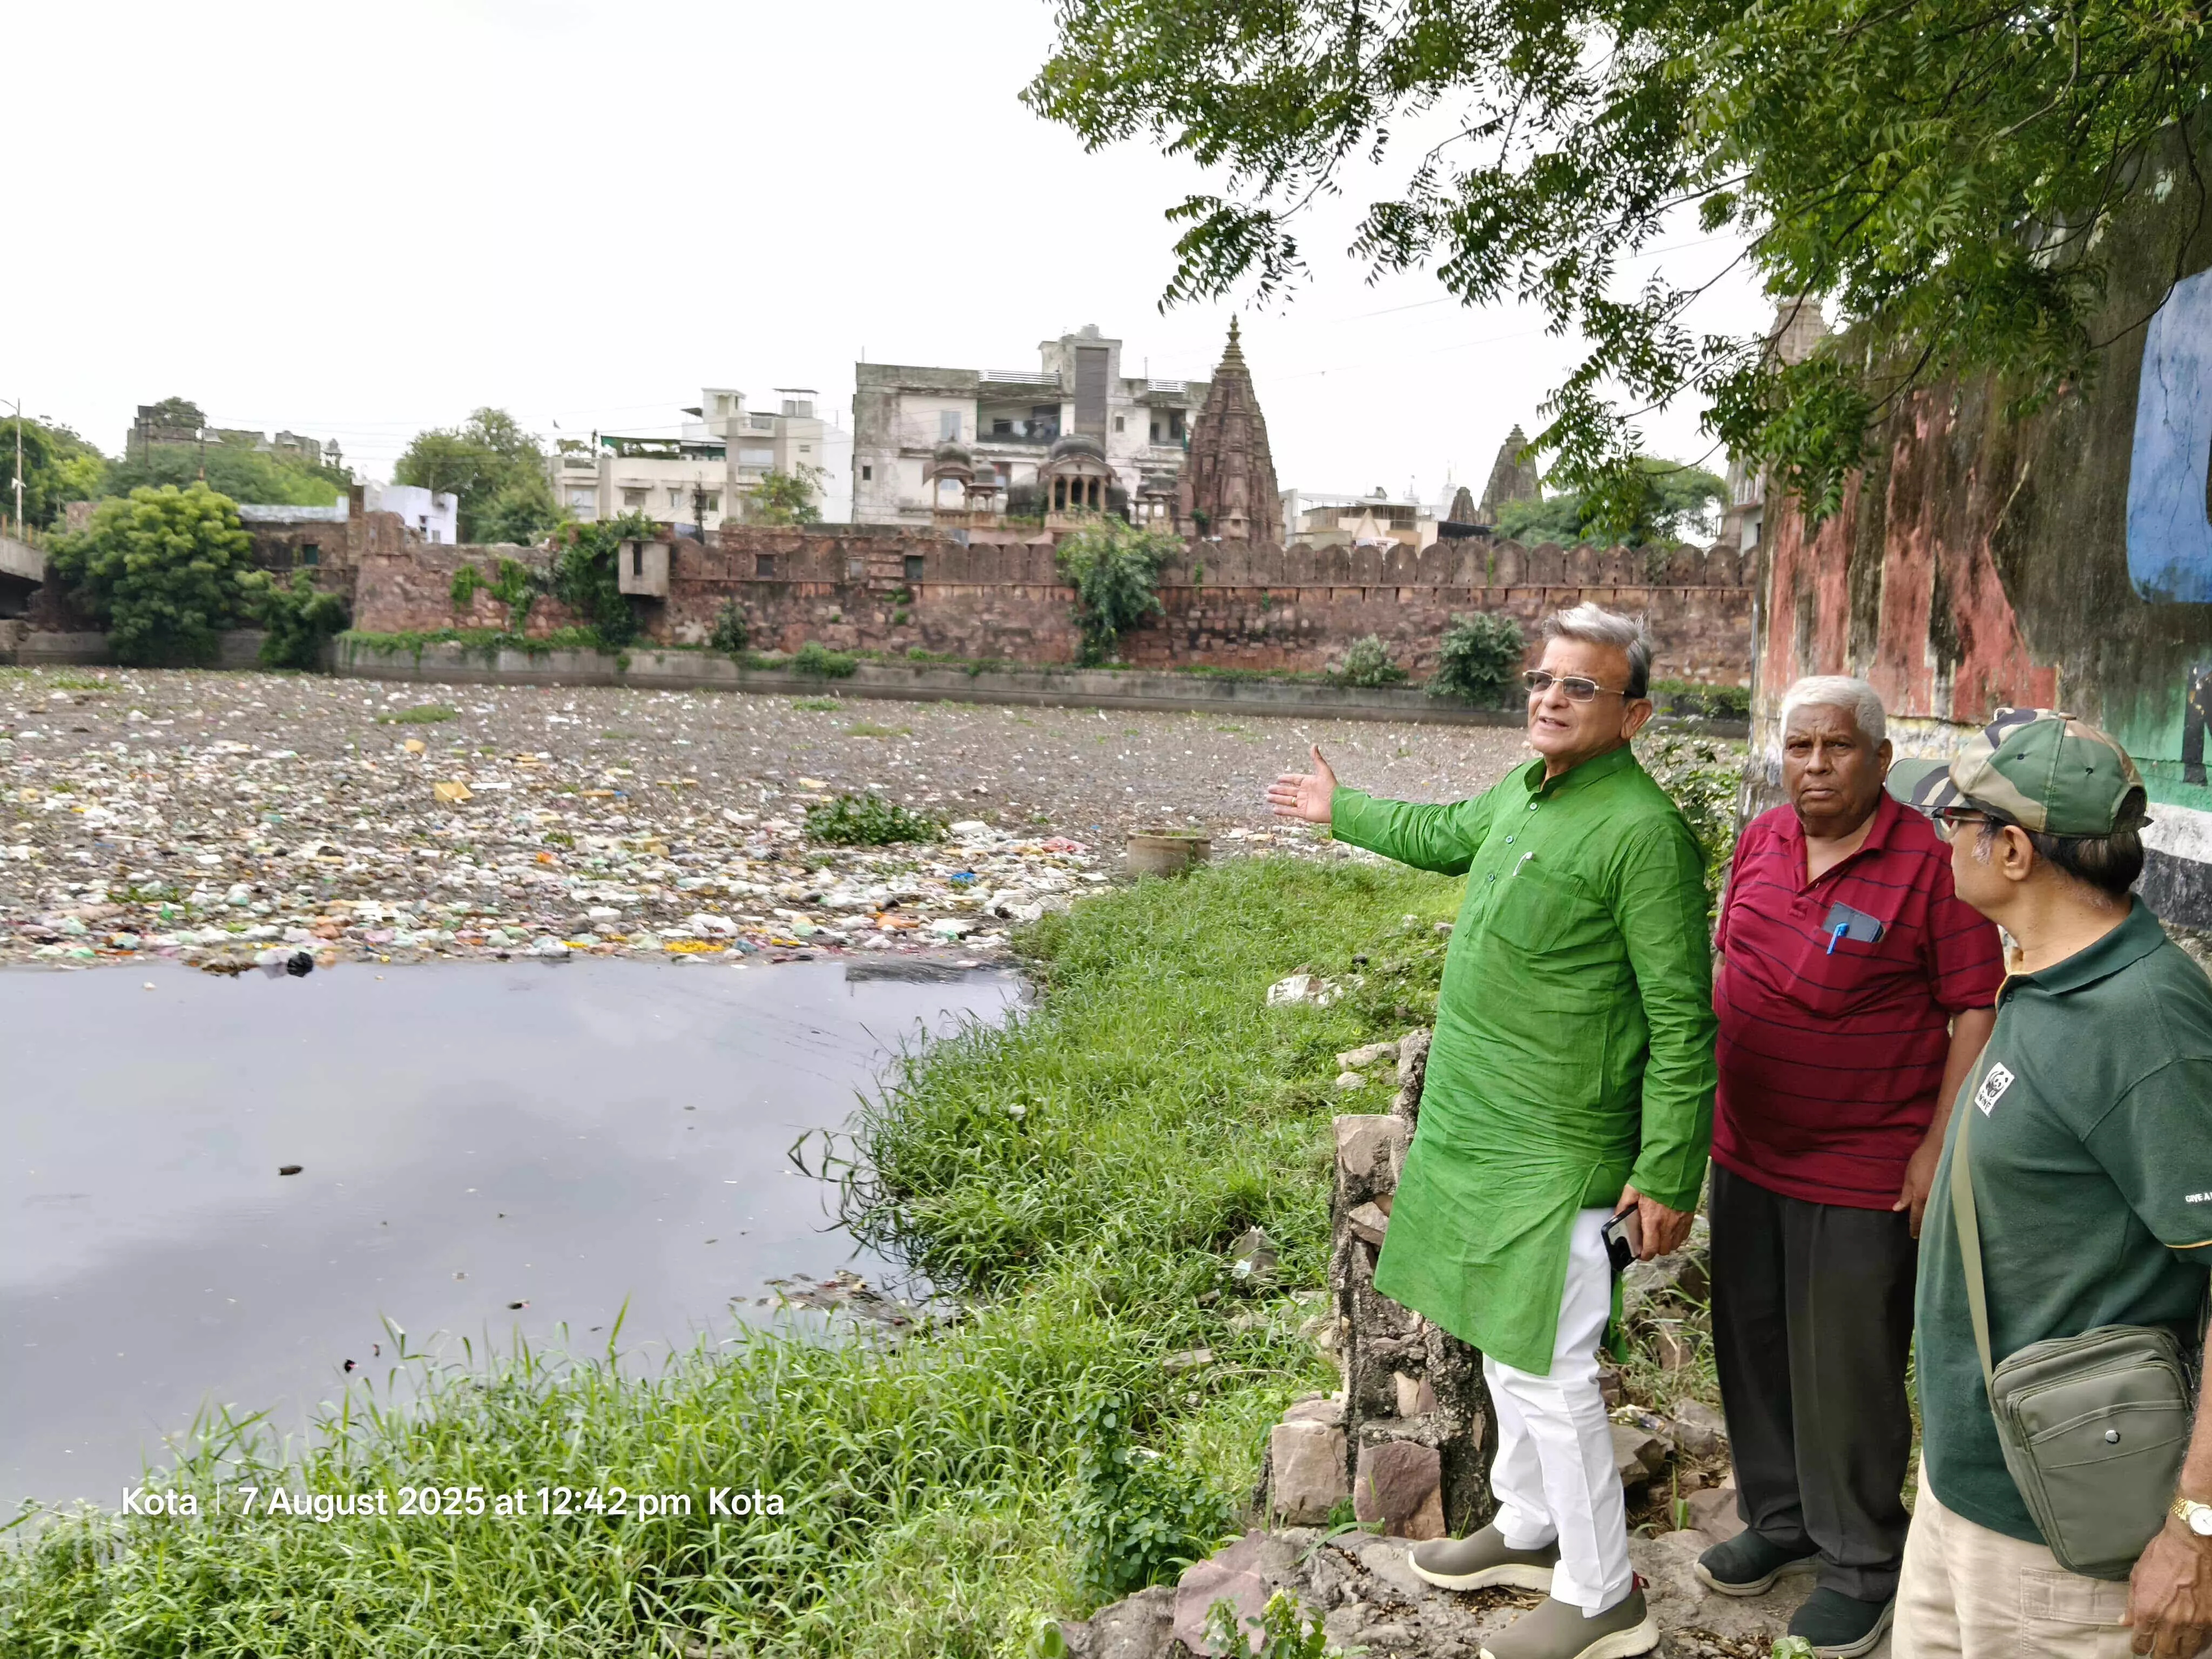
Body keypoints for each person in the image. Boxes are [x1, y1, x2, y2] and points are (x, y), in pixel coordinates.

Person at [1267, 602, 1716, 1659]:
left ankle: (1605, 1595)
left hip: (1563, 1155)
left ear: (1634, 713)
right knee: (1505, 1351)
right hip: (1481, 1134)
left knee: (1549, 1370)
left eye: (1580, 687)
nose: (1550, 699)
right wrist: (1343, 809)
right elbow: (1438, 836)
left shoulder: (1642, 836)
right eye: (1544, 681)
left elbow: (1682, 1019)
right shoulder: (1526, 789)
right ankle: (1525, 1526)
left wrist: (1667, 1173)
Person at [1889, 709, 2212, 1658]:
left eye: (1957, 822)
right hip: (1972, 1495)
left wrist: (2196, 1527)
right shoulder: (2043, 972)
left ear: (2015, 850)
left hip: (2067, 1546)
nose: (1942, 839)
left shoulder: (2144, 1025)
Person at [1697, 676, 2003, 1657]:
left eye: (1835, 749)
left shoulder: (1927, 865)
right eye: (1798, 748)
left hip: (1864, 1162)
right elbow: (1724, 962)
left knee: (1848, 1366)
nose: (1814, 767)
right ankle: (1781, 1521)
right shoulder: (1762, 838)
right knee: (1750, 1344)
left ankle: (1864, 1562)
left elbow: (1975, 1009)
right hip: (1746, 1146)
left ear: (1879, 759)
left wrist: (1934, 1144)